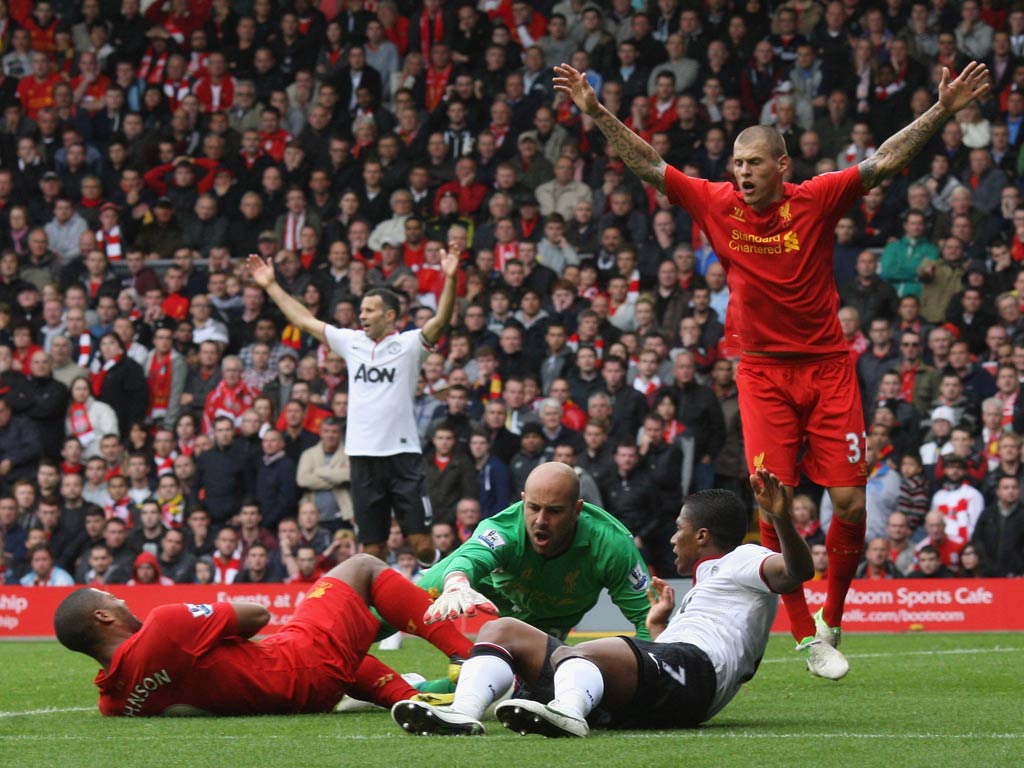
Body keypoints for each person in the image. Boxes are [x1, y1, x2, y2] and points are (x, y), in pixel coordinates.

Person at [550, 60, 990, 680]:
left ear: (782, 166)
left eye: (754, 163)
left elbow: (885, 161)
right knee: (771, 501)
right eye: (736, 165)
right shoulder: (717, 203)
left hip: (829, 366)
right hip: (760, 373)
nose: (742, 174)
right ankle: (806, 633)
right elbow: (650, 166)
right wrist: (597, 114)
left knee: (849, 504)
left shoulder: (816, 198)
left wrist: (943, 110)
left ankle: (833, 617)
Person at [391, 468, 812, 737]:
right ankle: (465, 714)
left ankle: (568, 711)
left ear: (702, 536)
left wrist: (778, 520)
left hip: (695, 680)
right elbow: (669, 664)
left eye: (679, 528)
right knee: (500, 631)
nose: (671, 537)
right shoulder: (706, 588)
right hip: (672, 675)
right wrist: (660, 624)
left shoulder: (744, 558)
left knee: (597, 650)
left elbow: (794, 573)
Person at [53, 554, 475, 716]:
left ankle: (410, 698)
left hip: (296, 694)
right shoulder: (164, 626)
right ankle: (469, 658)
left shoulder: (114, 702)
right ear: (103, 617)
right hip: (300, 662)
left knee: (347, 658)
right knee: (361, 567)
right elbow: (255, 616)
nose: (124, 601)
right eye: (113, 599)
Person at [247, 244, 460, 565]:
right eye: (361, 309)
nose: (362, 314)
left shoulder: (409, 344)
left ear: (390, 315)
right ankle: (383, 610)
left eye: (370, 310)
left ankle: (446, 582)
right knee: (372, 551)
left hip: (403, 457)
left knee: (422, 546)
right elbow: (304, 320)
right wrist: (271, 285)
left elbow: (441, 320)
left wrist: (451, 278)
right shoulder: (351, 342)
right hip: (362, 458)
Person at [416, 462, 652, 641]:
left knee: (499, 676)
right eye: (533, 507)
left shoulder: (611, 545)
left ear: (577, 509)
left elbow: (650, 619)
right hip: (487, 586)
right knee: (402, 599)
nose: (541, 520)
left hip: (548, 618)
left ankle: (415, 687)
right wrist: (457, 582)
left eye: (555, 511)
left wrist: (644, 673)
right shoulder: (504, 529)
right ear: (523, 500)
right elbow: (471, 558)